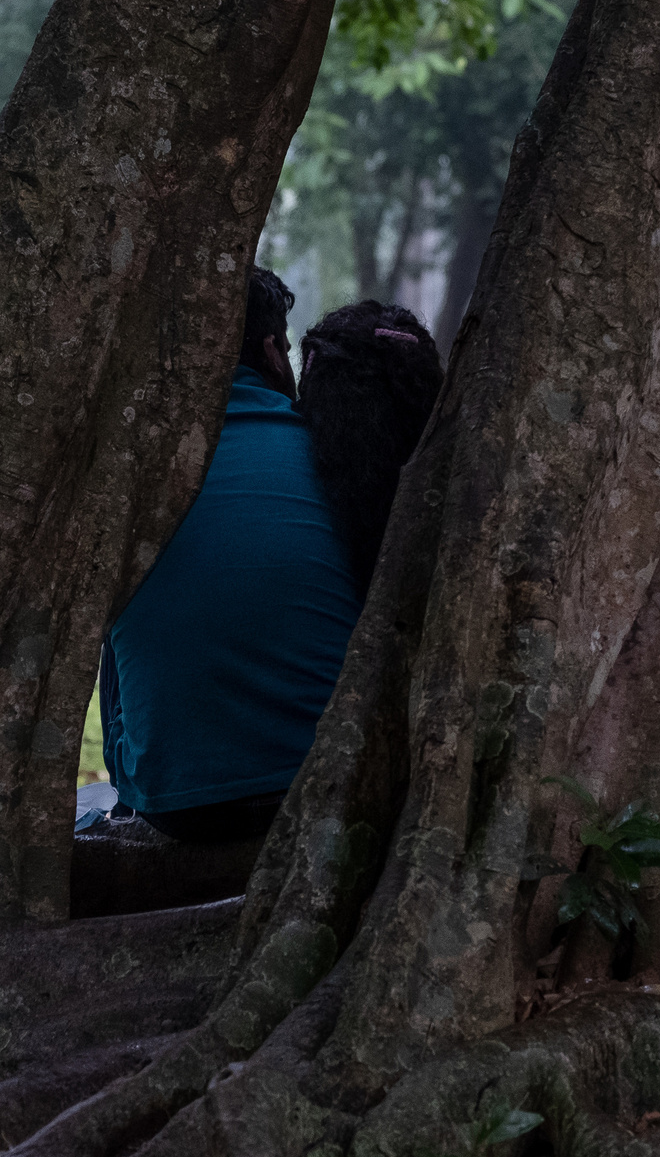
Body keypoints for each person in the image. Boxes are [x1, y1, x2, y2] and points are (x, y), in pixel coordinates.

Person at [93, 278, 440, 844]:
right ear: (274, 353)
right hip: (334, 779)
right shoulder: (340, 457)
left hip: (178, 805)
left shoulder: (132, 474)